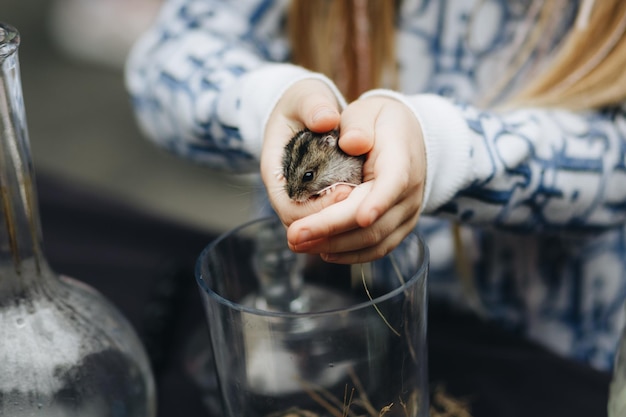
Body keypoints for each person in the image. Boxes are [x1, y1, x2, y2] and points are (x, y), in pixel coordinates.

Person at [125, 0, 626, 371]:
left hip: (553, 348)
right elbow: (163, 62)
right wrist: (265, 101)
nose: (299, 189)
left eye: (304, 181)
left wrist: (447, 150)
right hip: (330, 317)